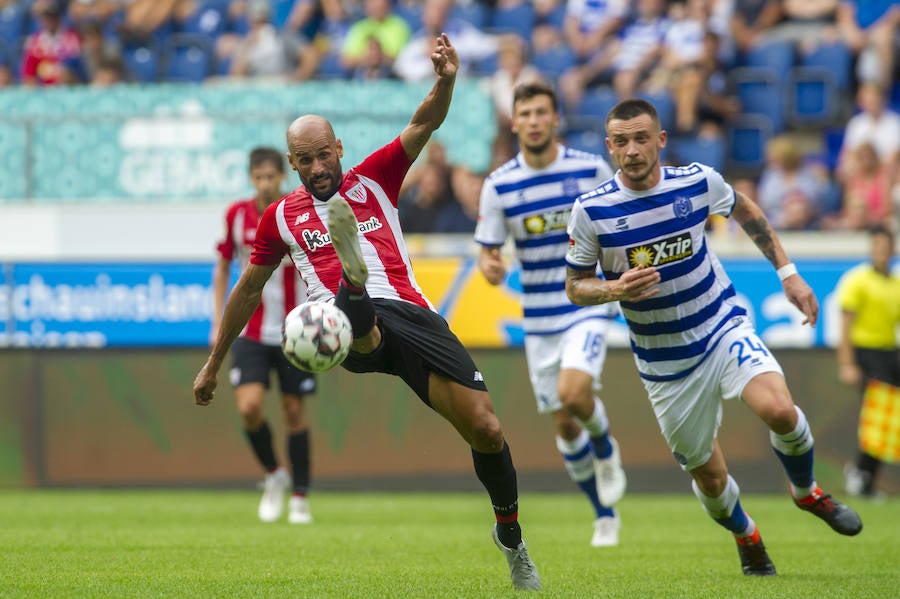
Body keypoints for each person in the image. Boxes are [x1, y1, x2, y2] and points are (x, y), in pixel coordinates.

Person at [193, 34, 542, 592]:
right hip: (339, 322)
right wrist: (215, 360)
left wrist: (447, 79)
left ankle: (511, 536)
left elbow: (424, 122)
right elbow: (248, 288)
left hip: (414, 316)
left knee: (486, 428)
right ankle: (352, 282)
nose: (316, 166)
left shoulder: (376, 177)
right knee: (355, 323)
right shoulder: (280, 216)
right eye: (303, 160)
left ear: (338, 147)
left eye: (322, 154)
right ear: (293, 163)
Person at [564, 97, 863, 576]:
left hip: (720, 325)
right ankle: (747, 535)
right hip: (665, 365)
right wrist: (613, 289)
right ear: (609, 147)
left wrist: (788, 272)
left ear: (661, 140)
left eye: (642, 139)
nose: (633, 150)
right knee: (708, 475)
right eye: (621, 142)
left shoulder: (698, 181)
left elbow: (744, 210)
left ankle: (808, 493)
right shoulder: (591, 211)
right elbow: (574, 286)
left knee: (781, 410)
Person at [475, 81, 626, 548]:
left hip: (585, 302)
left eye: (543, 112)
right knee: (563, 421)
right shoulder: (499, 185)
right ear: (514, 122)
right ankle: (603, 513)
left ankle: (604, 447)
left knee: (574, 391)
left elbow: (617, 221)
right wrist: (492, 268)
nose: (535, 120)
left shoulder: (589, 170)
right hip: (538, 318)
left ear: (555, 118)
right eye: (527, 113)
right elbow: (488, 254)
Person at [211, 147, 316, 525]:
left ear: (282, 177)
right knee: (249, 407)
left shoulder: (298, 211)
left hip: (297, 331)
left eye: (272, 176)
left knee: (293, 412)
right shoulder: (237, 216)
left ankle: (301, 497)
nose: (267, 183)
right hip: (251, 330)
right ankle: (274, 474)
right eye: (260, 177)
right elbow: (223, 267)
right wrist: (217, 321)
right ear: (251, 179)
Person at [836, 225, 900, 497]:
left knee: (890, 419)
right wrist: (847, 364)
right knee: (878, 415)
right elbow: (845, 326)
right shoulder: (857, 280)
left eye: (886, 247)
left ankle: (865, 476)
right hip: (866, 353)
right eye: (877, 247)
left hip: (890, 353)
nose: (882, 252)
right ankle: (861, 473)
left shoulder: (895, 284)